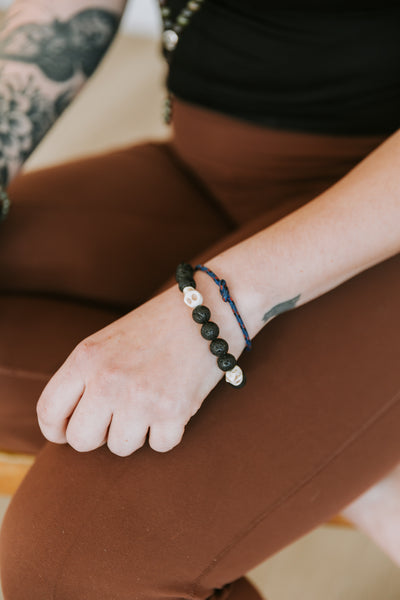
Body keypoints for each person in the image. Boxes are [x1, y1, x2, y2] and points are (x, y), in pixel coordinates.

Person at [0, 0, 399, 598]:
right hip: (205, 172)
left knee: (79, 564)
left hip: (375, 220)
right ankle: (340, 451)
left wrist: (213, 311)